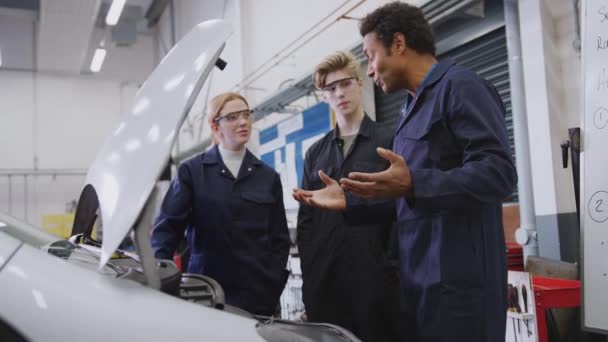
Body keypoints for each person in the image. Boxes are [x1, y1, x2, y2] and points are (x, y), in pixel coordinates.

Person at [293, 2, 517, 341]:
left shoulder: (461, 87)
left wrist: (415, 181)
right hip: (420, 286)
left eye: (370, 56)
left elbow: (499, 173)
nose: (369, 71)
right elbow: (406, 196)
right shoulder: (412, 108)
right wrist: (352, 201)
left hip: (460, 288)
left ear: (398, 44)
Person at [151, 92, 290, 316]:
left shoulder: (267, 177)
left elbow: (279, 239)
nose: (243, 121)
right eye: (233, 117)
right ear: (215, 126)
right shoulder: (192, 172)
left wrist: (271, 284)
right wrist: (161, 278)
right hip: (206, 293)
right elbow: (166, 229)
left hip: (258, 297)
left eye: (246, 115)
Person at [295, 51, 401, 342]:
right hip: (327, 285)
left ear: (360, 84)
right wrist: (311, 276)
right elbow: (307, 222)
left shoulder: (388, 141)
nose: (339, 92)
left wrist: (391, 268)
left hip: (377, 283)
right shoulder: (315, 154)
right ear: (323, 97)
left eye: (345, 84)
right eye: (331, 88)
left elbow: (401, 208)